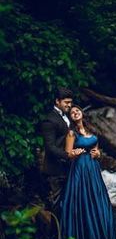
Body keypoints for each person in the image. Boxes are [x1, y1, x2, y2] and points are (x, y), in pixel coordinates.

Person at [60, 104, 116, 239]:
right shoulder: (71, 133)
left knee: (98, 202)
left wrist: (98, 154)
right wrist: (73, 153)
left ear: (82, 113)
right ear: (70, 117)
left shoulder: (91, 133)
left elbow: (97, 152)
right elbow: (67, 154)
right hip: (80, 169)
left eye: (77, 111)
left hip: (93, 170)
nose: (75, 113)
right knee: (83, 202)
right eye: (72, 112)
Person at [41, 87, 75, 215]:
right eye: (66, 102)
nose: (69, 105)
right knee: (56, 206)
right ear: (57, 101)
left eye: (70, 102)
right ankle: (55, 235)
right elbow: (50, 147)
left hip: (67, 168)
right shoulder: (49, 121)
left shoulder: (66, 116)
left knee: (67, 204)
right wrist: (68, 155)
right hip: (55, 170)